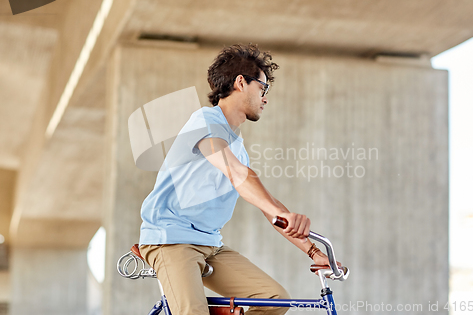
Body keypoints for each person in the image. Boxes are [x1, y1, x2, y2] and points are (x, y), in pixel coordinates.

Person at [139, 44, 332, 315]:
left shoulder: (237, 146)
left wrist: (313, 251)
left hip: (210, 246)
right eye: (263, 88)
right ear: (241, 82)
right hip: (172, 240)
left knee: (274, 299)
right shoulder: (204, 122)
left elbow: (267, 206)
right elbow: (236, 173)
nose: (266, 98)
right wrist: (278, 211)